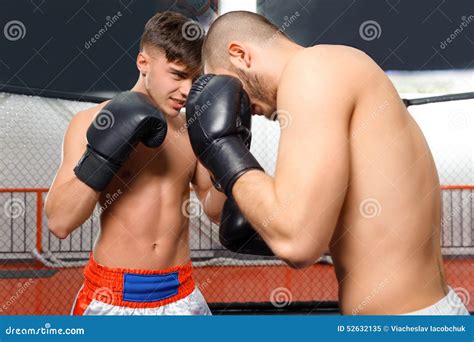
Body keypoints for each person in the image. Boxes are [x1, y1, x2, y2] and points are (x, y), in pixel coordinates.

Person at [185, 11, 470, 315]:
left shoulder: (311, 70)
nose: (239, 107)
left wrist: (222, 144)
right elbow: (323, 233)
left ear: (240, 54)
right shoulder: (335, 72)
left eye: (229, 88)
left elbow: (298, 243)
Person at [45, 11, 225, 315]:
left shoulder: (192, 129)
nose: (186, 91)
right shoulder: (92, 122)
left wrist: (227, 151)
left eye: (195, 80)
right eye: (178, 75)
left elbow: (215, 210)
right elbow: (60, 223)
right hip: (111, 295)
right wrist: (103, 155)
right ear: (144, 63)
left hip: (181, 292)